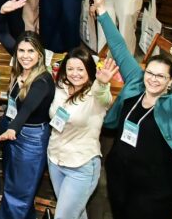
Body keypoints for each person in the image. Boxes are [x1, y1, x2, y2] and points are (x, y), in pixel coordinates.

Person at [93, 0, 172, 219]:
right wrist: (102, 11)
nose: (153, 79)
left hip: (156, 190)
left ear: (169, 82)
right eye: (150, 73)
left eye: (161, 76)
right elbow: (119, 47)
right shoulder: (136, 81)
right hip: (121, 178)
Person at [48, 48, 117, 219]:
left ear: (89, 70)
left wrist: (102, 83)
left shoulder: (95, 93)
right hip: (55, 159)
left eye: (80, 69)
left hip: (80, 165)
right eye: (70, 69)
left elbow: (105, 98)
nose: (75, 74)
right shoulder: (60, 87)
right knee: (76, 214)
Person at [0, 32, 56, 219]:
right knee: (13, 188)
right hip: (12, 135)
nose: (25, 55)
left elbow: (27, 108)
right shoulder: (20, 71)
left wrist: (12, 128)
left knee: (18, 197)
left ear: (40, 54)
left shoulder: (42, 80)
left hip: (30, 140)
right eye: (21, 50)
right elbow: (2, 35)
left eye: (31, 51)